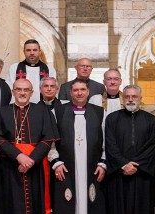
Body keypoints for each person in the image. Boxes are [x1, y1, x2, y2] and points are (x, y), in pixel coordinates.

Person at [0, 78, 58, 214]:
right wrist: (18, 156)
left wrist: (31, 160)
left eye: (26, 90)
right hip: (10, 166)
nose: (22, 93)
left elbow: (48, 138)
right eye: (19, 89)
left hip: (36, 167)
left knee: (36, 202)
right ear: (13, 92)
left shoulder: (43, 111)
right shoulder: (1, 113)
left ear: (31, 93)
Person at [49, 79, 106, 214]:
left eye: (83, 90)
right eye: (75, 90)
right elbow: (50, 142)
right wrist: (56, 162)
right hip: (66, 167)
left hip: (92, 167)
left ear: (88, 92)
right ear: (70, 93)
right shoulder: (58, 111)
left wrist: (103, 163)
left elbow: (105, 142)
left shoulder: (99, 112)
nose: (79, 93)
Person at [104, 85, 155, 213]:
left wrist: (135, 165)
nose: (130, 99)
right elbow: (110, 145)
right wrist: (123, 164)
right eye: (127, 96)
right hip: (118, 174)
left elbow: (152, 147)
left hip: (142, 175)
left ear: (140, 98)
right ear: (122, 99)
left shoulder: (152, 120)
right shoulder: (112, 119)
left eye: (134, 96)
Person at [7, 39, 57, 103]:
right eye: (28, 50)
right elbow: (10, 90)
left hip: (43, 108)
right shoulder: (14, 68)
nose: (32, 53)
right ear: (24, 52)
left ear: (40, 52)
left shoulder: (49, 69)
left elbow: (52, 90)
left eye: (35, 50)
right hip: (20, 107)